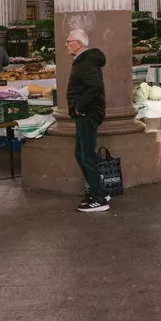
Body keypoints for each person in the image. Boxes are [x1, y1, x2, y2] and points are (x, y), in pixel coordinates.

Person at [65, 29, 110, 212]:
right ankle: (98, 191)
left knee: (87, 155)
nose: (66, 45)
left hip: (87, 114)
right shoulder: (84, 61)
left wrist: (80, 107)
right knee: (80, 154)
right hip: (85, 113)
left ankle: (99, 199)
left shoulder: (86, 61)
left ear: (78, 43)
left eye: (68, 42)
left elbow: (96, 86)